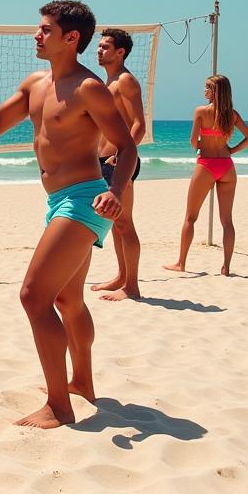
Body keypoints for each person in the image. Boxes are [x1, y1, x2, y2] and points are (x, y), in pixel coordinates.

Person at [0, 0, 136, 429]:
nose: (36, 35)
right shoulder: (36, 83)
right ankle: (82, 384)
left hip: (86, 199)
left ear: (71, 38)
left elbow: (125, 146)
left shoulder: (90, 88)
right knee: (67, 299)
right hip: (58, 202)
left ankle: (59, 406)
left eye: (45, 29)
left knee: (33, 296)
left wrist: (115, 191)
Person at [164, 75, 248, 276]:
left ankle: (181, 263)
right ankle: (226, 267)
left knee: (190, 217)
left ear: (215, 92)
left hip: (206, 165)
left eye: (207, 88)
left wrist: (200, 145)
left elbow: (193, 142)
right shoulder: (232, 115)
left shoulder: (201, 112)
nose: (204, 91)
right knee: (227, 220)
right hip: (227, 167)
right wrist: (230, 150)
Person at [90, 28, 146, 302]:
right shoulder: (107, 81)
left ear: (120, 52)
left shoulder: (125, 81)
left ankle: (132, 286)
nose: (99, 50)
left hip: (120, 161)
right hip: (104, 160)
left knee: (125, 224)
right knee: (115, 223)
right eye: (99, 46)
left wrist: (123, 156)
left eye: (104, 47)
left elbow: (139, 125)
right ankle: (121, 277)